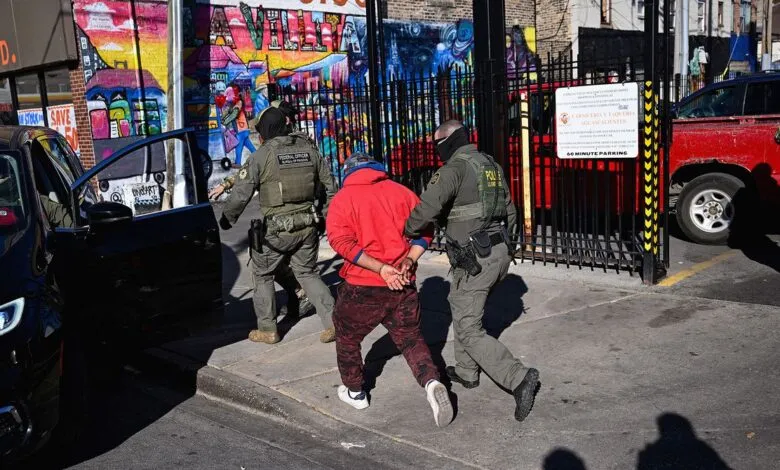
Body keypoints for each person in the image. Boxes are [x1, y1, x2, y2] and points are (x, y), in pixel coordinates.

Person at [404, 120, 540, 422]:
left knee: (468, 327)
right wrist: (509, 247)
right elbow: (511, 210)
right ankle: (467, 372)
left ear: (448, 141)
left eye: (436, 143)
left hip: (476, 258)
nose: (436, 149)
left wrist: (408, 228)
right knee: (460, 303)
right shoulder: (489, 164)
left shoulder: (454, 169)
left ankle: (518, 378)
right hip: (496, 252)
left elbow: (426, 208)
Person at [326, 152, 453, 428]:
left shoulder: (343, 199)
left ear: (348, 172)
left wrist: (381, 269)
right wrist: (409, 259)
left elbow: (341, 242)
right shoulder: (402, 193)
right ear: (376, 167)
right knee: (410, 338)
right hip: (403, 283)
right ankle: (431, 382)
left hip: (363, 286)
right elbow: (425, 229)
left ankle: (356, 392)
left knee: (347, 337)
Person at [218, 108, 337, 344]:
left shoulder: (262, 155)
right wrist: (325, 217)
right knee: (307, 273)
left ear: (265, 130)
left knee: (262, 274)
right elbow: (331, 187)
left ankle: (268, 329)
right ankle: (334, 322)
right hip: (308, 226)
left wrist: (227, 218)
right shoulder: (309, 151)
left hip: (276, 231)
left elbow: (242, 193)